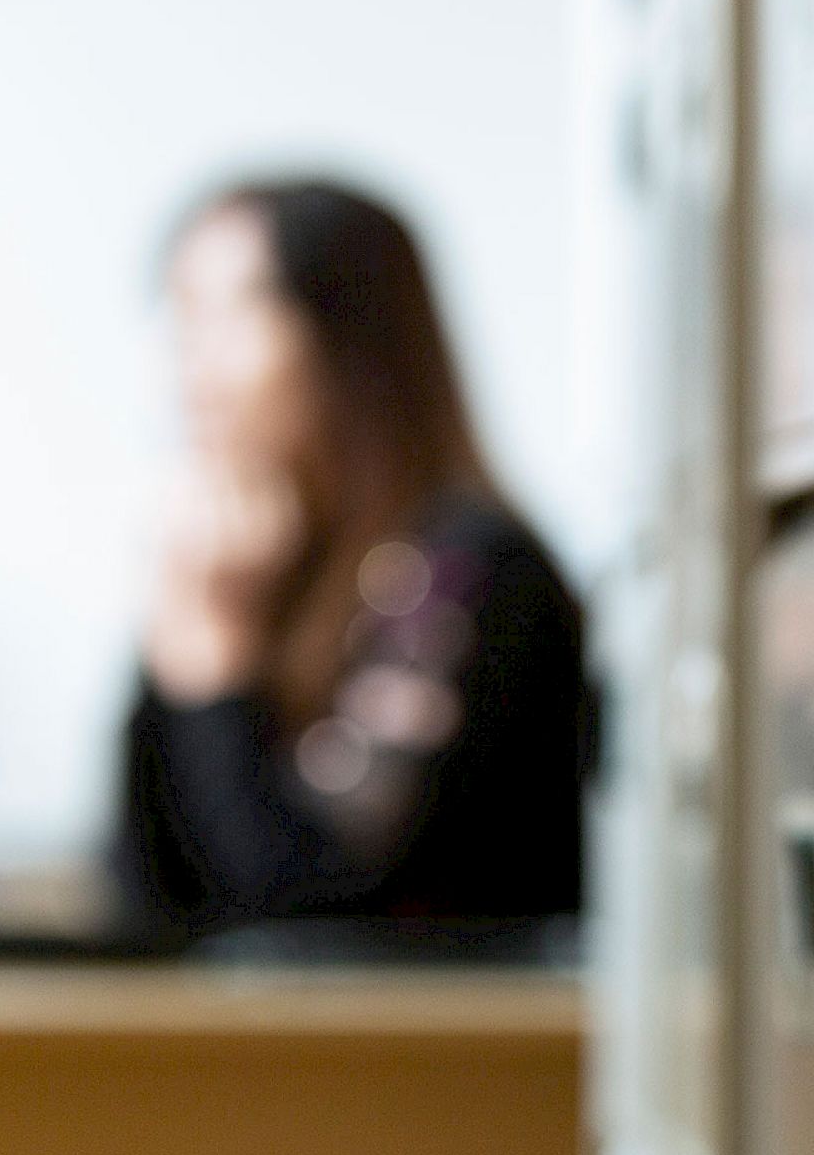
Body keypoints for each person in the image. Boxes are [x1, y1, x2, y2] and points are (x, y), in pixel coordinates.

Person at [110, 178, 586, 942]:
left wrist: (214, 678)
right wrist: (181, 644)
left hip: (448, 1056)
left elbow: (319, 926)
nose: (188, 360)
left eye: (231, 311)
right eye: (180, 314)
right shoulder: (251, 577)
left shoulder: (469, 573)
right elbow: (141, 896)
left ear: (347, 340)